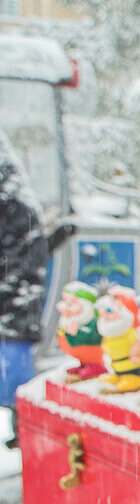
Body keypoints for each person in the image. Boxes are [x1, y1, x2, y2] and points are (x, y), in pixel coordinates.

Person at [0, 130, 48, 448]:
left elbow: (21, 264)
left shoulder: (14, 205)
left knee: (17, 384)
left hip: (14, 308)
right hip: (15, 305)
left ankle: (29, 442)